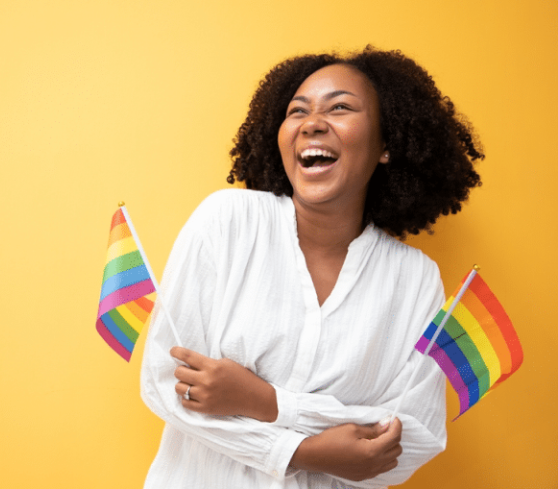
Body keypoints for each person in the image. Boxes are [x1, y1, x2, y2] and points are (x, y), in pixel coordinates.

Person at [140, 46, 483, 489]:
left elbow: (410, 436)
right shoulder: (227, 222)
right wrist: (307, 451)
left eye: (340, 107)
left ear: (386, 144)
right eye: (296, 111)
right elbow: (168, 382)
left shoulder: (415, 280)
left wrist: (264, 402)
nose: (312, 123)